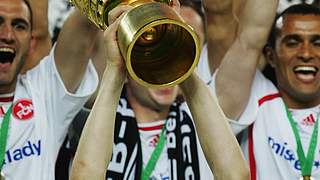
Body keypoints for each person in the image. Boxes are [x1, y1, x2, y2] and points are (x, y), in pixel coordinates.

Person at [70, 1, 249, 180]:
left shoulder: (195, 123)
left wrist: (178, 56)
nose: (162, 82)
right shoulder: (103, 120)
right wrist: (115, 69)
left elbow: (234, 175)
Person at [212, 1, 320, 179]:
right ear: (271, 56)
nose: (306, 54)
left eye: (318, 43)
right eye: (293, 43)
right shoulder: (254, 97)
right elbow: (250, 39)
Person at [0, 0, 99, 179]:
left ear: (31, 43)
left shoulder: (44, 92)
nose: (7, 35)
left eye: (19, 26)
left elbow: (87, 18)